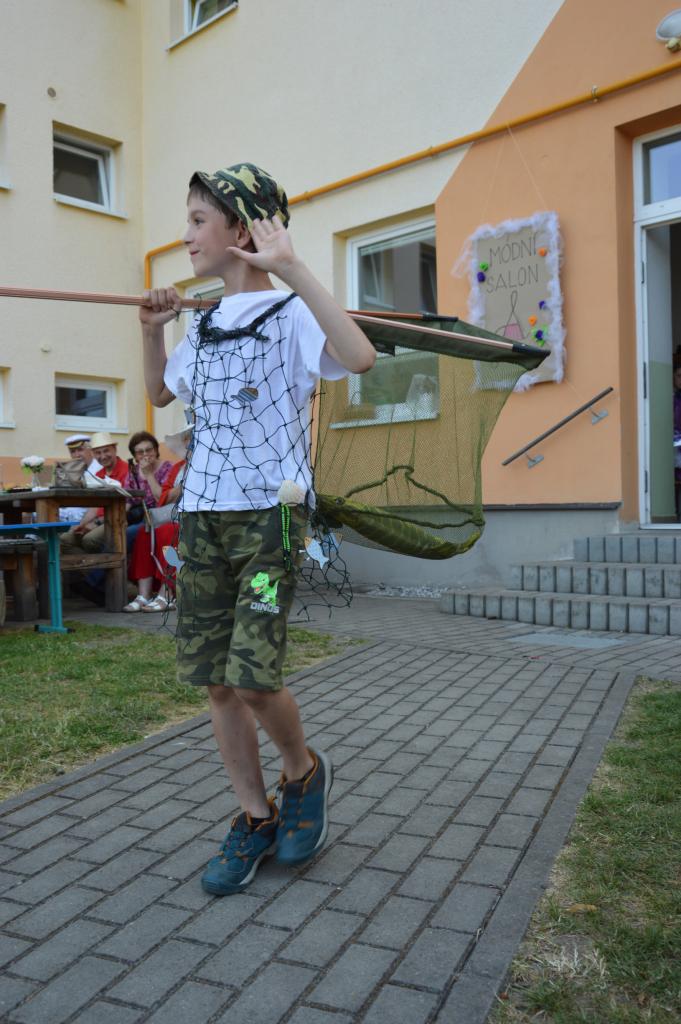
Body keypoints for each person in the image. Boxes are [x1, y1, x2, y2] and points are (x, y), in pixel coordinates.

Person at [140, 162, 375, 896]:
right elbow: (157, 392)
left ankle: (302, 771)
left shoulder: (293, 314)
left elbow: (360, 356)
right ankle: (254, 815)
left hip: (270, 522)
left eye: (198, 221)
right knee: (216, 684)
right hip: (202, 521)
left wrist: (293, 267)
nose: (186, 236)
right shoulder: (204, 321)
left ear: (241, 229)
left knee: (252, 676)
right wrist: (150, 330)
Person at [124, 427, 190, 613]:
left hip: (192, 515)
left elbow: (164, 496)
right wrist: (178, 489)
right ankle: (144, 594)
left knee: (167, 531)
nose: (145, 455)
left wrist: (172, 491)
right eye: (186, 440)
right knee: (144, 533)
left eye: (149, 449)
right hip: (169, 514)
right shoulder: (179, 467)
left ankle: (168, 593)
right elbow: (163, 499)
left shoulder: (199, 464)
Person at [58, 434, 103, 524]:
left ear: (90, 450)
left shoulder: (99, 469)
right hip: (74, 509)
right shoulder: (75, 468)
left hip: (88, 514)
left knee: (47, 514)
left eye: (80, 450)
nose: (77, 455)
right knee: (39, 513)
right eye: (73, 452)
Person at [126, 430, 173, 515]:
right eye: (140, 452)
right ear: (135, 456)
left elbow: (162, 499)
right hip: (139, 516)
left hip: (162, 516)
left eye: (149, 450)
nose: (145, 454)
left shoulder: (168, 468)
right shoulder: (133, 471)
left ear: (156, 450)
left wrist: (149, 474)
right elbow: (128, 501)